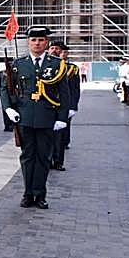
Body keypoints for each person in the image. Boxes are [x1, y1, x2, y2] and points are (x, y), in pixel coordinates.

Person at [0, 25, 67, 209]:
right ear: (28, 42)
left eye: (41, 40)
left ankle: (40, 194)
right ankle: (28, 193)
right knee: (27, 157)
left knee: (43, 157)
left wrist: (62, 117)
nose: (37, 43)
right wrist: (8, 109)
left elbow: (64, 92)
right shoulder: (18, 64)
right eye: (33, 40)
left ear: (47, 42)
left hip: (47, 116)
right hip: (25, 116)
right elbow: (5, 88)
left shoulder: (57, 65)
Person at [48, 41, 81, 171]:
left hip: (62, 105)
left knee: (59, 136)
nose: (54, 50)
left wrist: (73, 106)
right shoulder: (43, 66)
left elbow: (74, 89)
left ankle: (58, 161)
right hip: (46, 106)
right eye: (51, 48)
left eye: (57, 48)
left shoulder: (71, 69)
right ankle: (47, 160)